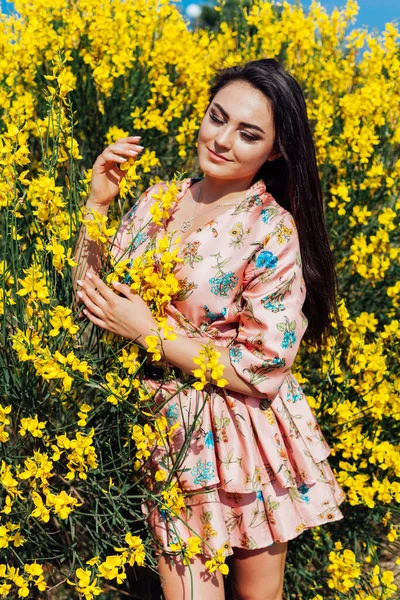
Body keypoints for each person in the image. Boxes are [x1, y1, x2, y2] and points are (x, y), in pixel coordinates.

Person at [73, 58, 346, 600]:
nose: (222, 140)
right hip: (171, 433)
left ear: (275, 152)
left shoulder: (271, 227)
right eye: (216, 118)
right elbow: (94, 298)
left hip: (248, 432)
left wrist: (151, 334)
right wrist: (98, 203)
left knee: (255, 596)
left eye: (248, 134)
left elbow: (263, 367)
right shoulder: (159, 199)